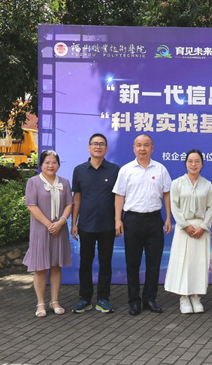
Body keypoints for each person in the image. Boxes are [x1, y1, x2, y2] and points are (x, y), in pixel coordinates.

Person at [112, 134, 172, 316]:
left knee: (154, 262)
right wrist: (118, 219)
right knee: (133, 262)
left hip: (154, 219)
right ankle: (134, 301)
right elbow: (119, 196)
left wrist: (168, 218)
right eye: (139, 145)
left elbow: (167, 194)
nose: (142, 148)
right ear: (134, 148)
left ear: (152, 148)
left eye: (146, 145)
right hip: (132, 220)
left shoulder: (160, 169)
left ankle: (150, 299)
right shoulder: (126, 170)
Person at [70, 133, 120, 314]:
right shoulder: (79, 170)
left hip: (107, 225)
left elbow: (119, 198)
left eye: (101, 144)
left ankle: (103, 299)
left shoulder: (114, 170)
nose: (98, 147)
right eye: (95, 144)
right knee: (85, 263)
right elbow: (77, 198)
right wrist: (74, 223)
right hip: (86, 225)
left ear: (106, 148)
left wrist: (118, 220)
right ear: (89, 147)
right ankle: (84, 299)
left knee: (105, 263)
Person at [23, 150, 73, 317]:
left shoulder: (64, 182)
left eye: (54, 162)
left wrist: (61, 222)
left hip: (59, 229)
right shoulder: (33, 182)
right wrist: (49, 225)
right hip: (41, 230)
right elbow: (31, 206)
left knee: (56, 265)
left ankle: (55, 301)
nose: (51, 165)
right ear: (41, 165)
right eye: (47, 162)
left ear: (58, 165)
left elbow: (69, 204)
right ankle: (40, 303)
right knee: (40, 267)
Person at [164, 149, 212, 314]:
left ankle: (196, 296)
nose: (193, 164)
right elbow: (174, 206)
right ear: (186, 163)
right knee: (183, 262)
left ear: (202, 164)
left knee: (199, 263)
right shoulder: (177, 183)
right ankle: (184, 297)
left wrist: (203, 226)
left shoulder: (207, 185)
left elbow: (211, 208)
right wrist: (185, 225)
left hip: (201, 229)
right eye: (190, 161)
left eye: (197, 161)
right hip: (183, 228)